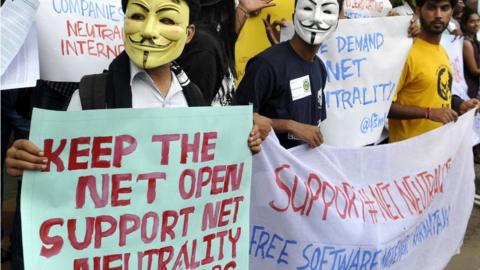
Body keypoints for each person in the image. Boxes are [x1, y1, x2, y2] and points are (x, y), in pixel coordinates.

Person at [4, 0, 262, 267]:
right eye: (138, 15)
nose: (150, 30)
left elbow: (207, 173)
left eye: (167, 20)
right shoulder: (92, 96)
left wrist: (243, 143)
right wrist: (28, 162)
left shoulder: (193, 97)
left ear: (188, 34)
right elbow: (60, 175)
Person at [234, 0, 342, 149]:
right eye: (308, 9)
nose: (317, 19)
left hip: (300, 170)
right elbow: (237, 118)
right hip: (268, 169)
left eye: (327, 11)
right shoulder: (266, 65)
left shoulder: (319, 68)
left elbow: (314, 123)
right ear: (294, 16)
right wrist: (289, 126)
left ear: (336, 24)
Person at [388, 0, 480, 143]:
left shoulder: (443, 51)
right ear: (418, 11)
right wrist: (428, 113)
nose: (438, 15)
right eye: (431, 8)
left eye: (444, 8)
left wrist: (460, 105)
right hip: (406, 154)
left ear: (452, 12)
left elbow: (437, 93)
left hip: (437, 155)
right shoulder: (405, 53)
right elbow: (384, 107)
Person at [461, 7, 480, 98]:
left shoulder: (474, 41)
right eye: (472, 21)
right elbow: (474, 71)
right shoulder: (466, 43)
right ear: (464, 25)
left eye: (478, 21)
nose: (476, 24)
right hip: (469, 87)